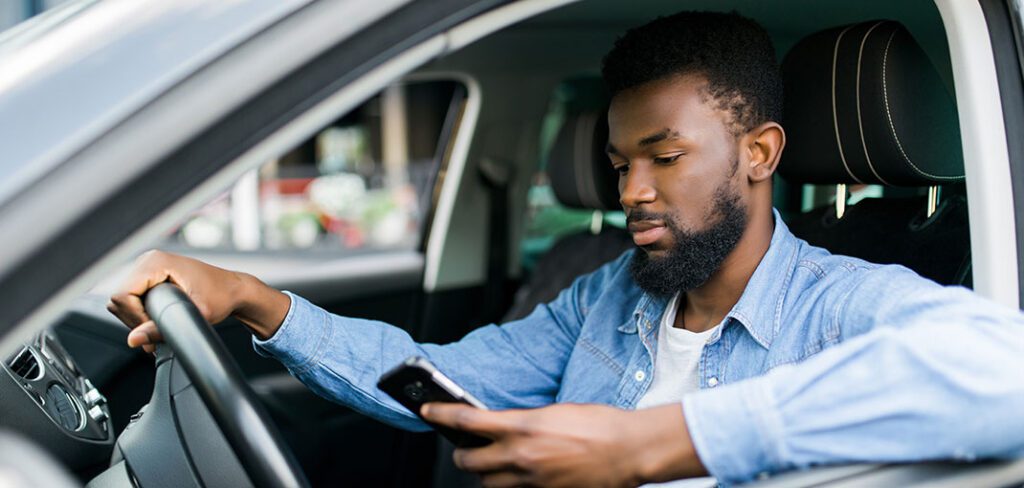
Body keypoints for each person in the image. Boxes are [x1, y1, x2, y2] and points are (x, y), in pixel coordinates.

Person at [107, 11, 1024, 488]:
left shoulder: (843, 303)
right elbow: (435, 376)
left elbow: (1004, 369)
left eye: (665, 158)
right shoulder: (609, 296)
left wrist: (651, 447)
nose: (630, 191)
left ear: (759, 153)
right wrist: (254, 298)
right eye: (621, 162)